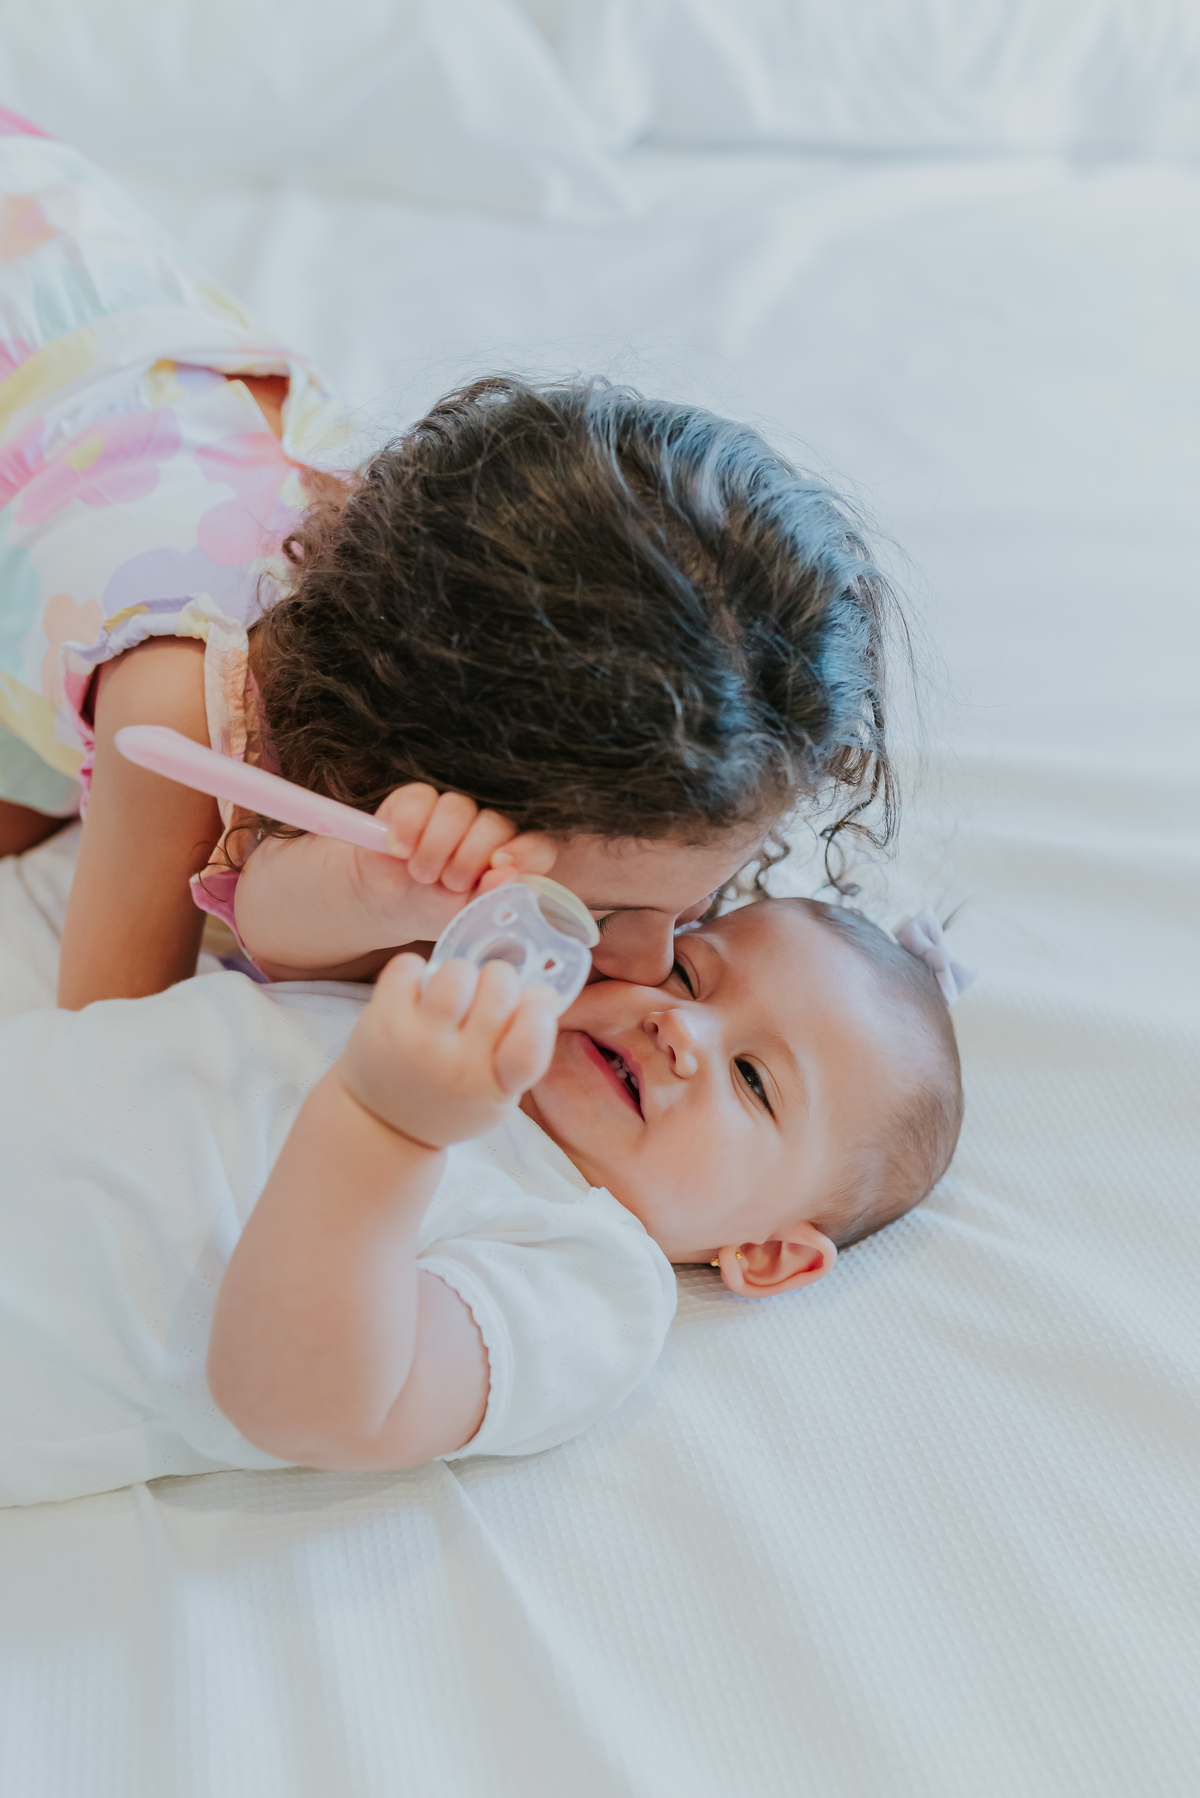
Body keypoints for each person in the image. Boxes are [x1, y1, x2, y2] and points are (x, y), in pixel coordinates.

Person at [0, 113, 898, 1007]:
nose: (642, 965)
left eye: (694, 904)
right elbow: (110, 1030)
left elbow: (273, 903)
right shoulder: (173, 703)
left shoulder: (429, 558)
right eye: (597, 912)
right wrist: (376, 901)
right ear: (406, 772)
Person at [0, 896, 964, 1506]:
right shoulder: (453, 1003)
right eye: (688, 971)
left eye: (753, 1079)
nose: (678, 1025)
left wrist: (389, 1129)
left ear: (766, 1255)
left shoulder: (593, 1278)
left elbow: (310, 1403)